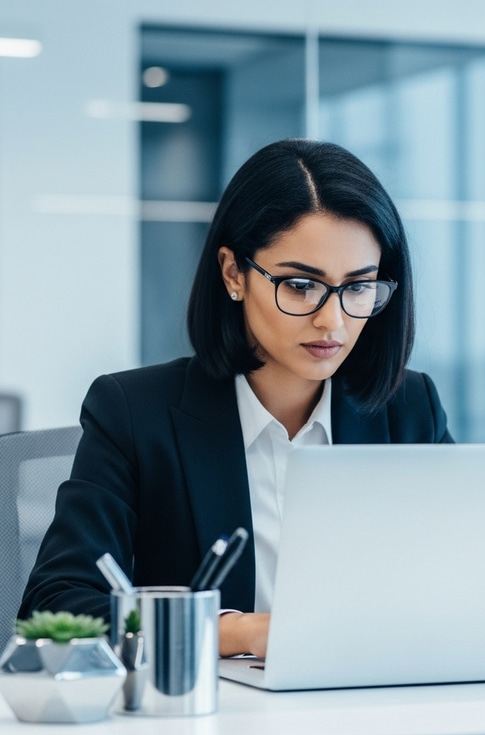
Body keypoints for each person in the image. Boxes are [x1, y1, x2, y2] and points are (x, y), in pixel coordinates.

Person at [20, 139, 453, 659]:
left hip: (377, 702)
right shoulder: (135, 412)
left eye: (358, 287)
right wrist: (238, 632)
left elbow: (471, 575)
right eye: (300, 285)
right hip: (211, 718)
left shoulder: (408, 408)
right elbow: (56, 607)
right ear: (233, 273)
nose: (332, 321)